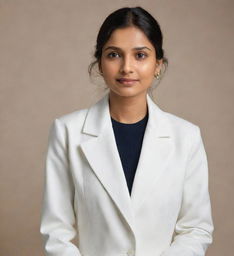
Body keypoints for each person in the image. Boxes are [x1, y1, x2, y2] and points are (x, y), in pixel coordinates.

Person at [40, 6, 214, 256]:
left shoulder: (186, 137)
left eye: (140, 55)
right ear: (100, 63)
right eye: (114, 55)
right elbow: (55, 231)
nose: (127, 67)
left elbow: (196, 229)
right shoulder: (67, 131)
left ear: (158, 64)